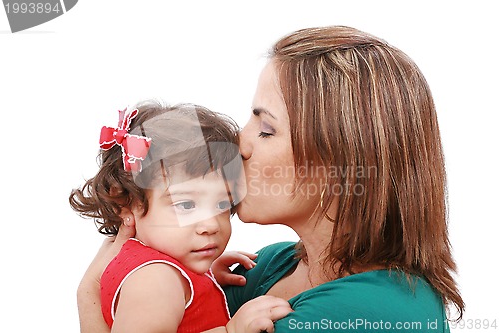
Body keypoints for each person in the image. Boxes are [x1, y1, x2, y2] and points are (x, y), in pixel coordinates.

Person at [77, 26, 465, 332]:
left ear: (341, 161)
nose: (238, 143)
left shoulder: (372, 311)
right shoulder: (269, 265)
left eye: (265, 129)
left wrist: (90, 298)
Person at [69, 101, 291, 333]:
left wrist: (204, 279)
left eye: (222, 204)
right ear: (127, 204)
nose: (211, 224)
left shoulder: (156, 270)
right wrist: (232, 330)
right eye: (186, 204)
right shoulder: (156, 280)